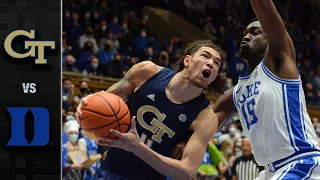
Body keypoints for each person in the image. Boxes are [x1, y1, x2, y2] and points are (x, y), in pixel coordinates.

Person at [77, 39, 227, 180]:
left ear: (214, 77)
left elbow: (187, 171)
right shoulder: (146, 72)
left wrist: (138, 148)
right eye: (205, 56)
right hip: (110, 170)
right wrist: (84, 108)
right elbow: (102, 102)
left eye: (216, 63)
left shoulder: (206, 118)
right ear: (187, 60)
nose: (211, 63)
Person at [213, 0, 320, 179]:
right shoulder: (234, 94)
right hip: (270, 171)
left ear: (269, 38)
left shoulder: (279, 62)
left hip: (300, 162)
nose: (246, 36)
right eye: (245, 33)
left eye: (255, 32)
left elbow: (262, 4)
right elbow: (203, 128)